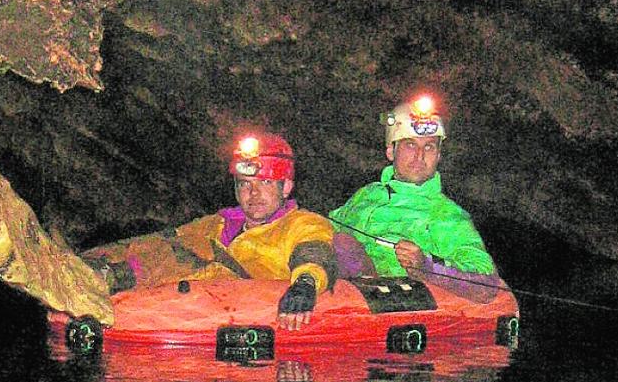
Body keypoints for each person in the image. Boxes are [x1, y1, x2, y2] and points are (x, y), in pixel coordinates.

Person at [85, 131, 335, 330]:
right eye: (245, 184)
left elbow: (314, 253)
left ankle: (106, 278)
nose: (253, 193)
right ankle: (89, 269)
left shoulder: (303, 223)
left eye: (266, 183)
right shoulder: (217, 224)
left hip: (245, 306)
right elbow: (160, 244)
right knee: (171, 242)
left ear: (286, 186)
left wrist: (305, 284)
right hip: (188, 310)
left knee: (196, 255)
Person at [328, 95, 501, 303]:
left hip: (396, 308)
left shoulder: (445, 214)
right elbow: (326, 230)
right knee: (338, 243)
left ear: (438, 156)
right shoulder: (367, 196)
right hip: (342, 302)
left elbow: (486, 282)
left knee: (344, 245)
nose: (420, 156)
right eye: (410, 145)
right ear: (391, 151)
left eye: (429, 147)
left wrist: (427, 267)